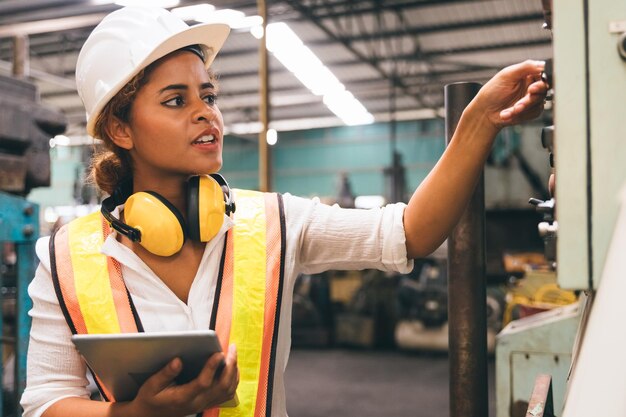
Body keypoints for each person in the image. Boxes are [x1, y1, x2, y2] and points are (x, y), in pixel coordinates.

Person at [20, 5, 548, 417]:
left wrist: (479, 123)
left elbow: (410, 232)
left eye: (208, 95)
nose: (207, 112)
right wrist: (131, 414)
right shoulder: (66, 257)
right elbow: (45, 401)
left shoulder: (274, 222)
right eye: (176, 101)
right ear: (120, 129)